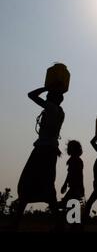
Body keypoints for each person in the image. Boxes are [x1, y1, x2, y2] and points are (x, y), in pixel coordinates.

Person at [16, 87, 65, 227]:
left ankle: (16, 222)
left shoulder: (50, 107)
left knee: (27, 181)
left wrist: (46, 87)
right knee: (48, 185)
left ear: (52, 98)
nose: (47, 96)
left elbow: (30, 94)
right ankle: (58, 223)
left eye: (49, 95)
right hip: (51, 150)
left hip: (42, 150)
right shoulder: (61, 112)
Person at [60, 140, 85, 205]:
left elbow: (78, 175)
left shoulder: (75, 161)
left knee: (66, 204)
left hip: (75, 188)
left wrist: (65, 184)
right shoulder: (75, 160)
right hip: (74, 187)